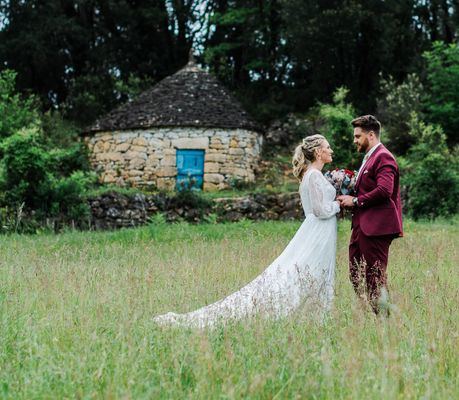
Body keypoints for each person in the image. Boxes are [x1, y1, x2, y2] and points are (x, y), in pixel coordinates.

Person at [154, 134, 340, 328]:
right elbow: (319, 210)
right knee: (303, 273)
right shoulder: (314, 175)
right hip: (317, 231)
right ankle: (309, 317)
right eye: (328, 147)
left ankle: (313, 318)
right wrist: (338, 204)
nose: (331, 150)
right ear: (318, 152)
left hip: (314, 231)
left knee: (308, 271)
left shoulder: (309, 175)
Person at [337, 115, 403, 314]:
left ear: (371, 135)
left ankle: (385, 320)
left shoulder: (384, 156)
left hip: (377, 227)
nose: (355, 140)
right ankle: (368, 312)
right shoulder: (369, 157)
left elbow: (385, 190)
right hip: (361, 226)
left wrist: (355, 201)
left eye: (358, 136)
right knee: (355, 273)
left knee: (374, 276)